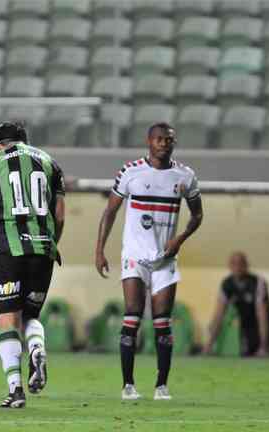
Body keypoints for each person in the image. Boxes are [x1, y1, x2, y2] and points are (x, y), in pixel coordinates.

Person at [94, 122, 203, 401]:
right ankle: (128, 385)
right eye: (159, 139)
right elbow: (109, 212)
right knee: (132, 314)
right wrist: (99, 249)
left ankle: (161, 385)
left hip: (165, 259)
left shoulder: (185, 176)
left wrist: (179, 239)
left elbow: (197, 216)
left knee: (162, 321)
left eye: (169, 140)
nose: (164, 143)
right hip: (134, 256)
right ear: (149, 141)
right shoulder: (130, 172)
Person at [0, 122, 66, 408]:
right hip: (43, 249)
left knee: (7, 319)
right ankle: (37, 347)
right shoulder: (51, 164)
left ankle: (15, 389)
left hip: (8, 250)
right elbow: (60, 215)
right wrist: (52, 243)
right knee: (30, 315)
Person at [203, 252, 269, 357]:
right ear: (229, 266)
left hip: (266, 326)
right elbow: (218, 316)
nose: (237, 267)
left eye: (241, 263)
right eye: (234, 264)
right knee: (248, 357)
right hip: (247, 327)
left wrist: (264, 346)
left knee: (265, 356)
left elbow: (262, 315)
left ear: (246, 265)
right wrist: (208, 345)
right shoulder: (227, 284)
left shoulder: (257, 283)